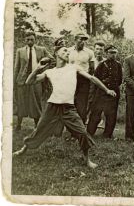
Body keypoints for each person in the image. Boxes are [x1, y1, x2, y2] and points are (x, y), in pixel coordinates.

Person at [13, 39, 116, 168]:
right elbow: (29, 82)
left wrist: (106, 89)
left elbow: (92, 78)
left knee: (83, 133)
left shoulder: (74, 68)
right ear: (56, 53)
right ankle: (24, 149)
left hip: (69, 108)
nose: (68, 53)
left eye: (68, 51)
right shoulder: (49, 71)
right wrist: (37, 69)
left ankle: (87, 160)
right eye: (64, 51)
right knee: (39, 130)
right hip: (52, 107)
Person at [14, 31, 53, 130]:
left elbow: (52, 60)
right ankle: (18, 125)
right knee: (21, 102)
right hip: (22, 81)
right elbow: (17, 67)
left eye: (32, 39)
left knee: (36, 102)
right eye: (27, 39)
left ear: (35, 39)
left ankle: (37, 126)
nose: (30, 41)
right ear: (25, 40)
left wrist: (45, 68)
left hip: (36, 80)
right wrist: (14, 82)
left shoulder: (41, 50)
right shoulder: (20, 51)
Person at [87, 44, 122, 139]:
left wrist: (113, 89)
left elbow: (119, 80)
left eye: (115, 53)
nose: (113, 55)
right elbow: (95, 79)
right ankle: (89, 133)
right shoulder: (102, 65)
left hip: (113, 94)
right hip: (101, 94)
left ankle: (107, 135)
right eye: (111, 53)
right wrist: (105, 88)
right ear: (106, 53)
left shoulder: (118, 65)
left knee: (111, 115)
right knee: (96, 113)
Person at [68, 33, 96, 123]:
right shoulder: (68, 51)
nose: (83, 42)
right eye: (81, 39)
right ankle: (70, 127)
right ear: (75, 39)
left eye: (84, 40)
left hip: (83, 80)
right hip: (70, 79)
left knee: (82, 104)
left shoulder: (89, 52)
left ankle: (80, 130)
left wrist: (86, 78)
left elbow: (92, 68)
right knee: (70, 103)